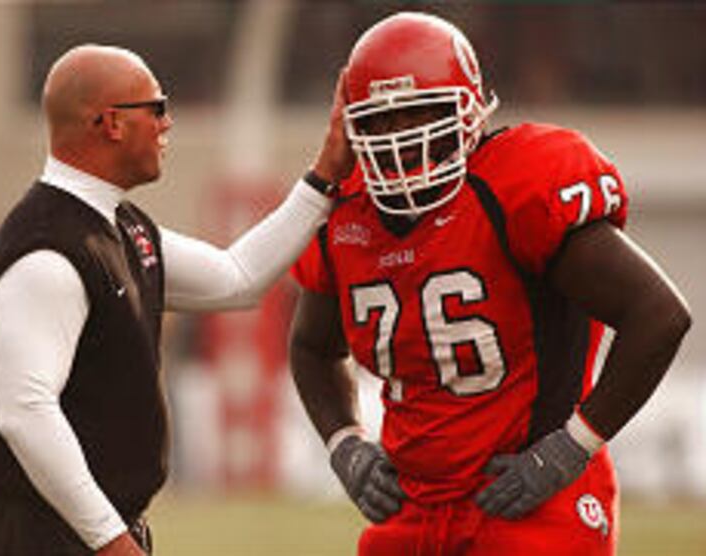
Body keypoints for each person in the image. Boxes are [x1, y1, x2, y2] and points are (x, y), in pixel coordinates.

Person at [289, 12, 691, 556]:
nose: (397, 139)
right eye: (379, 121)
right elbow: (312, 345)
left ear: (469, 111)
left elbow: (659, 314)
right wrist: (345, 444)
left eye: (417, 115)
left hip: (533, 504)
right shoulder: (344, 212)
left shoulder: (516, 185)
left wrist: (573, 447)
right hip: (414, 509)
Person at [0, 44, 353, 555]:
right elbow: (25, 414)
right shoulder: (47, 249)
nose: (168, 124)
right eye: (157, 107)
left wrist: (325, 173)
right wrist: (111, 540)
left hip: (80, 531)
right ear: (111, 123)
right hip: (42, 537)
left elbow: (238, 279)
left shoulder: (118, 225)